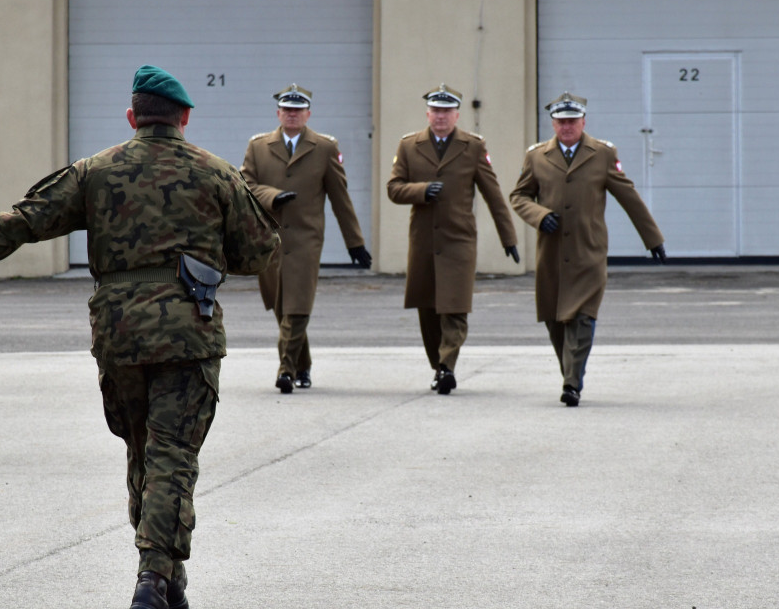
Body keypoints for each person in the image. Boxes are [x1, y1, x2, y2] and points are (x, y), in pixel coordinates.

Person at [0, 65, 280, 609]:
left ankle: (167, 574)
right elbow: (258, 254)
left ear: (133, 118)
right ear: (184, 118)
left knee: (142, 452)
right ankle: (154, 577)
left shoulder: (96, 172)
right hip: (187, 330)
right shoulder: (217, 174)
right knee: (173, 455)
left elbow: (24, 219)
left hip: (119, 334)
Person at [509, 92, 666, 407]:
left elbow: (628, 196)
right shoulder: (537, 156)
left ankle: (571, 383)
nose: (567, 127)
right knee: (555, 320)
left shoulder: (603, 154)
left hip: (588, 251)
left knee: (581, 317)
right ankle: (571, 373)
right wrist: (540, 217)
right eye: (561, 121)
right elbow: (519, 197)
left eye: (572, 121)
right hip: (551, 252)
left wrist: (653, 239)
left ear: (583, 121)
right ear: (552, 123)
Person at [387, 83, 520, 395]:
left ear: (457, 114)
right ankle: (439, 367)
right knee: (428, 309)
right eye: (436, 111)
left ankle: (447, 366)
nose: (441, 116)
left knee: (455, 307)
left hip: (459, 240)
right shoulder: (409, 145)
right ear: (428, 114)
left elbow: (493, 195)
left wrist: (508, 238)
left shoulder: (473, 147)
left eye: (447, 111)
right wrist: (420, 191)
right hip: (423, 242)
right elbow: (393, 189)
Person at [240, 84, 371, 394]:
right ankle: (304, 364)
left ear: (308, 114)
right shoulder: (258, 146)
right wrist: (272, 196)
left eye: (298, 110)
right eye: (287, 110)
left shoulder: (324, 147)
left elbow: (341, 199)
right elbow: (244, 186)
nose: (292, 114)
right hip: (269, 239)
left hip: (306, 240)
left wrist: (355, 243)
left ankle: (285, 370)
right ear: (278, 113)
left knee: (298, 305)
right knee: (281, 308)